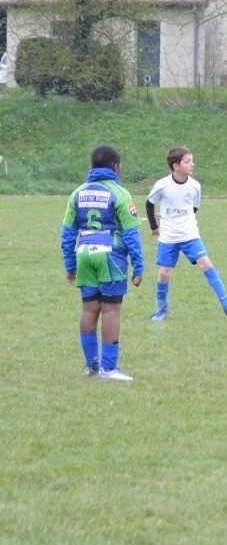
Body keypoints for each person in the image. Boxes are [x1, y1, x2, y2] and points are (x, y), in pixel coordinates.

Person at [62, 144, 145, 381]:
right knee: (111, 310)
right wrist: (138, 266)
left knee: (89, 309)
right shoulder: (120, 193)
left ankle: (91, 367)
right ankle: (109, 368)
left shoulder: (77, 193)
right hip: (110, 255)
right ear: (115, 167)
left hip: (84, 253)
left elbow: (67, 233)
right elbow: (131, 233)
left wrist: (70, 265)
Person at [145, 146, 227, 319]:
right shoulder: (163, 185)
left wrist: (184, 220)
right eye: (187, 161)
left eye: (192, 161)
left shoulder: (195, 186)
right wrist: (154, 227)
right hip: (168, 237)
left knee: (206, 263)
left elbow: (194, 207)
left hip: (190, 235)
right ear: (176, 166)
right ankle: (161, 311)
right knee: (164, 273)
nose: (192, 164)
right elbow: (149, 203)